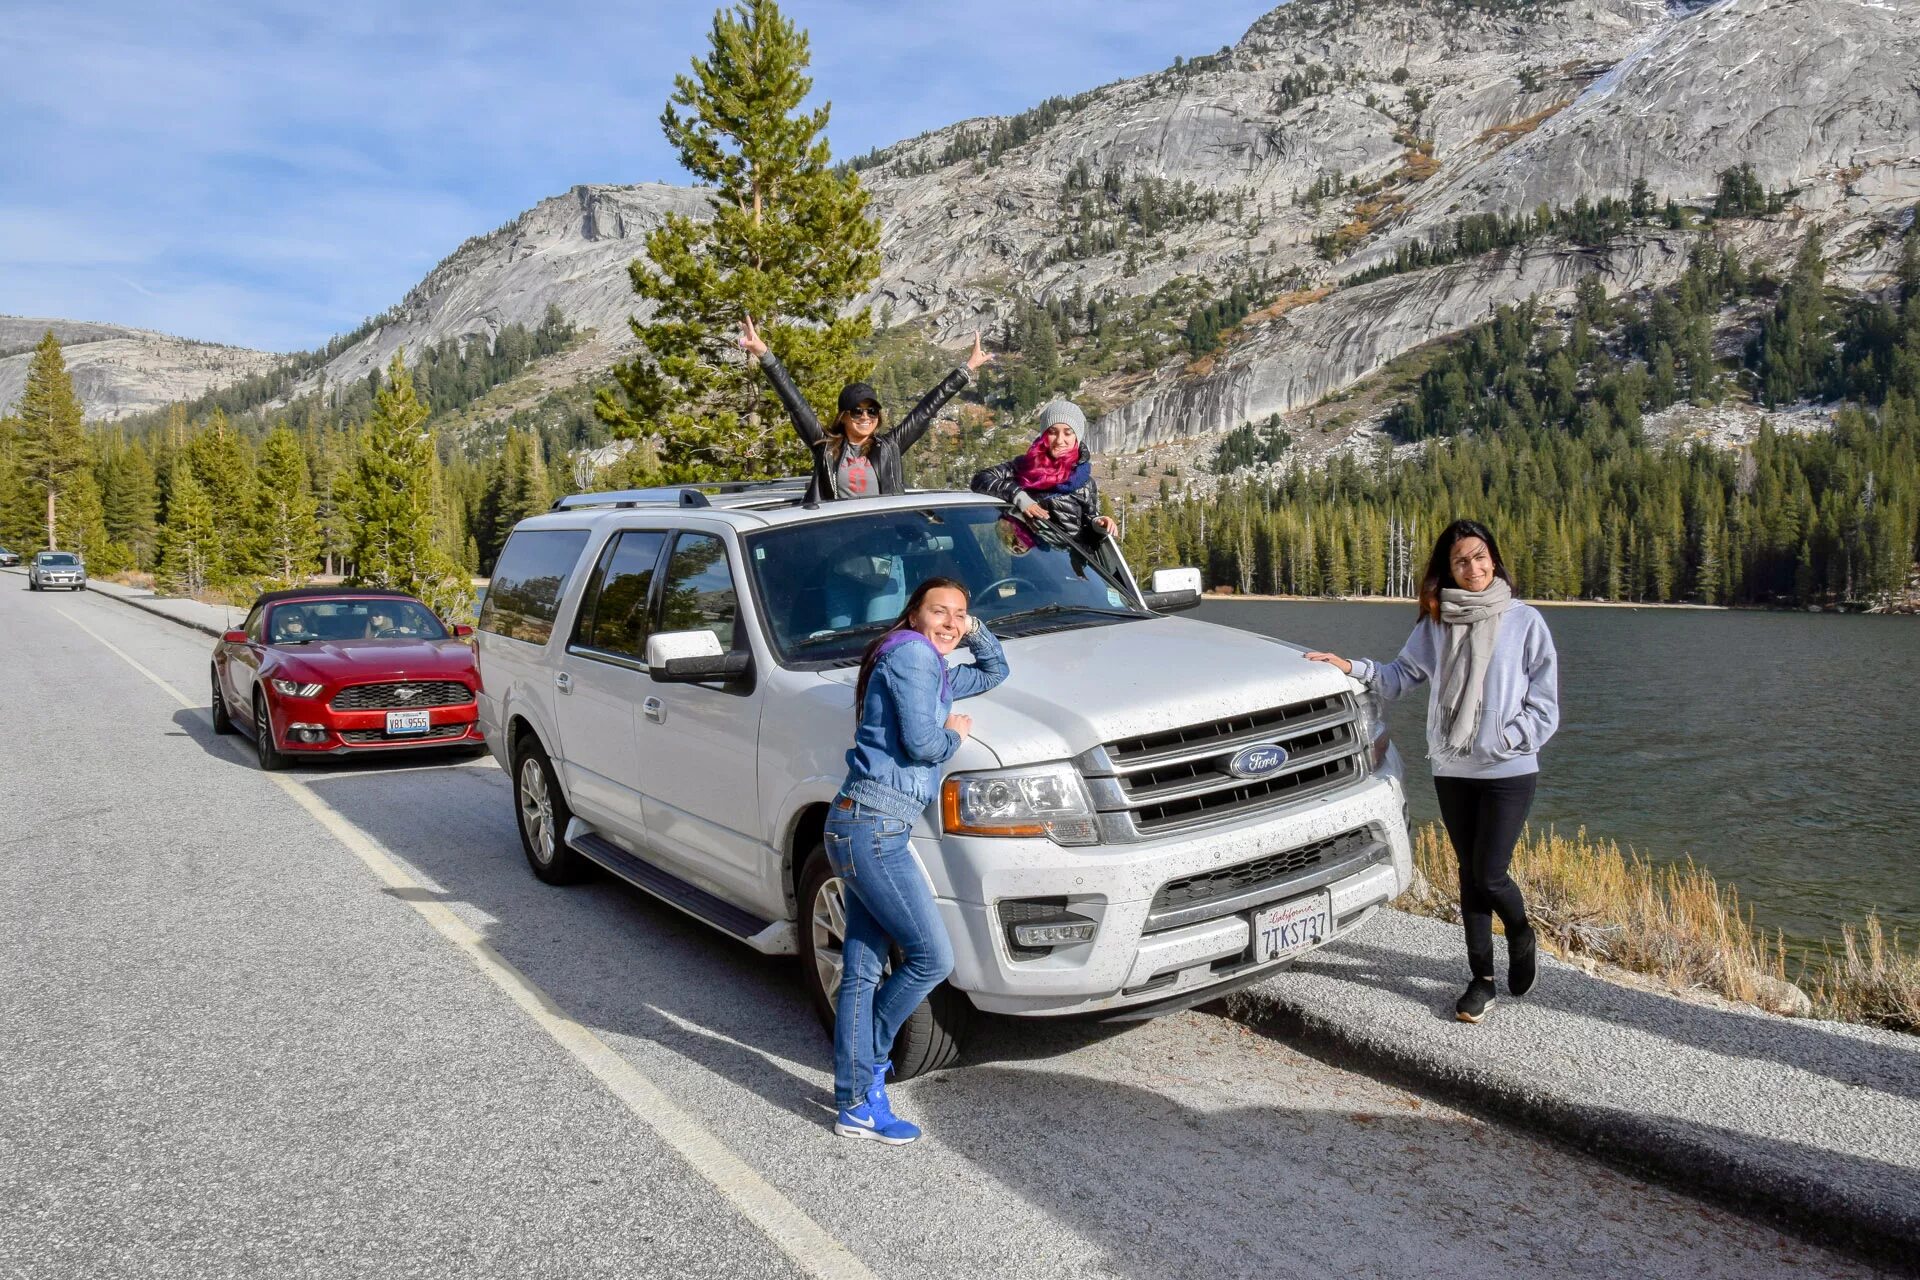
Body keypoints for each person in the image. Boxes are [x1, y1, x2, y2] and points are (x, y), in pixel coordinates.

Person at [1305, 519, 1559, 1024]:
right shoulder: (1436, 623)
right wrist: (1350, 667)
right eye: (1461, 560)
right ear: (1448, 568)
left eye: (1480, 556)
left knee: (1489, 873)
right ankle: (1481, 980)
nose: (1473, 568)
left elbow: (1545, 704)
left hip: (1508, 769)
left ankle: (1521, 929)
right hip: (1452, 767)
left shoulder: (1525, 621)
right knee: (1469, 877)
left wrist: (1505, 739)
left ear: (1495, 558)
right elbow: (1401, 677)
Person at [826, 577, 1007, 1143]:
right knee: (932, 956)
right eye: (939, 611)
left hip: (866, 823)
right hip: (874, 829)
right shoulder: (912, 656)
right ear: (912, 614)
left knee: (860, 970)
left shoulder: (929, 665)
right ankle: (868, 1065)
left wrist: (973, 630)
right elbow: (924, 743)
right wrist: (954, 733)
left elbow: (996, 671)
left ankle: (854, 1099)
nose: (951, 622)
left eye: (961, 613)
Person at [738, 317, 992, 504]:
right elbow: (795, 403)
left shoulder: (889, 446)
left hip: (882, 543)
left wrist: (966, 370)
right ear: (844, 416)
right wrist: (764, 355)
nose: (865, 417)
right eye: (857, 411)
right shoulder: (824, 446)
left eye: (872, 411)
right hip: (837, 542)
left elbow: (926, 409)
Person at [969, 401, 1119, 549]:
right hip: (1027, 561)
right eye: (1052, 432)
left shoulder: (1085, 483)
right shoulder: (1024, 467)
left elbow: (1088, 533)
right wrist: (1020, 498)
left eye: (1068, 433)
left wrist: (1098, 524)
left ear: (1077, 437)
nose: (1060, 440)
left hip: (1067, 567)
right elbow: (981, 479)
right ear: (1044, 435)